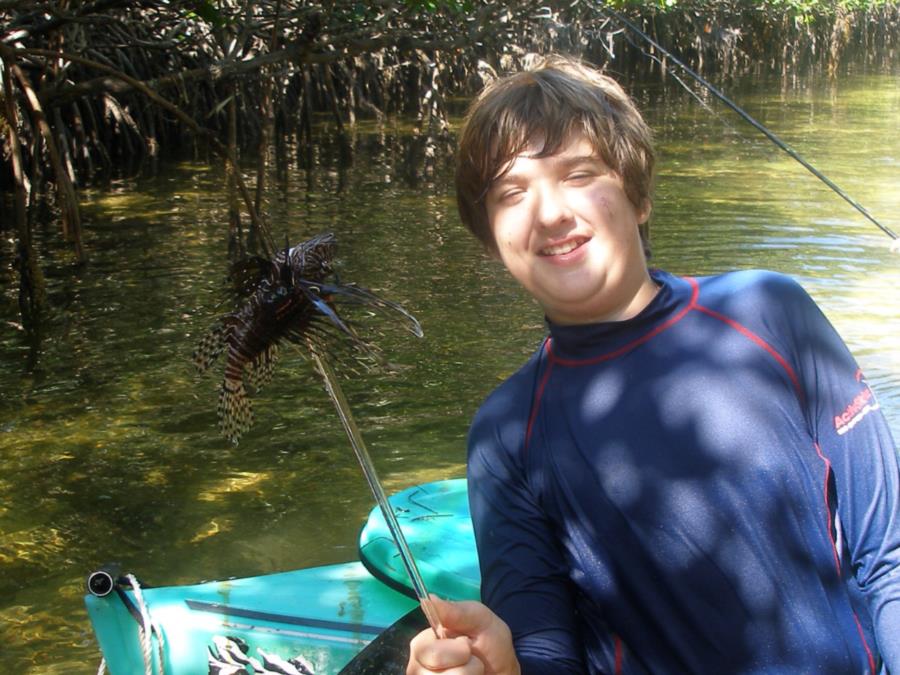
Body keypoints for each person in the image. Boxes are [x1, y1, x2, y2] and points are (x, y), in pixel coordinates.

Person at [406, 55, 900, 674]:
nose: (550, 213)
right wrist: (500, 667)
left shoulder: (772, 312)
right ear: (491, 240)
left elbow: (889, 554)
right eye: (512, 193)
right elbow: (543, 652)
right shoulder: (506, 434)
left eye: (579, 174)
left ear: (636, 196)